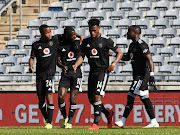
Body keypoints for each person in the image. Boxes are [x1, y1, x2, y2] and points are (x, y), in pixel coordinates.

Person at [73, 19, 123, 130]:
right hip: (92, 72)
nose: (92, 33)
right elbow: (82, 55)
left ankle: (96, 123)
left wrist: (114, 64)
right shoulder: (86, 41)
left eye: (94, 31)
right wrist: (76, 64)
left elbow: (119, 52)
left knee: (97, 96)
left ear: (99, 28)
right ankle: (108, 113)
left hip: (103, 71)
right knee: (91, 99)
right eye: (91, 30)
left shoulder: (106, 40)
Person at [115, 25, 159, 128]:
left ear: (135, 33)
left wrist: (152, 75)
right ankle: (154, 122)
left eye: (129, 31)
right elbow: (127, 57)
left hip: (143, 75)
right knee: (144, 98)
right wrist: (115, 55)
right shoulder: (132, 45)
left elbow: (150, 60)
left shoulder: (142, 45)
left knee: (131, 95)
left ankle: (122, 121)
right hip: (137, 75)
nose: (127, 33)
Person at [29, 24, 58, 129]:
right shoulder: (36, 45)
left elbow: (69, 35)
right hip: (39, 75)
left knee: (49, 95)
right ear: (42, 33)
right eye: (47, 32)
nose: (50, 34)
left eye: (50, 32)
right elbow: (32, 57)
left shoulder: (55, 40)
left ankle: (50, 122)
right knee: (41, 100)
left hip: (50, 74)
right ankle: (47, 118)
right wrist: (31, 65)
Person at [57, 27, 83, 129]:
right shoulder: (60, 45)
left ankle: (70, 122)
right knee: (60, 97)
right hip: (66, 74)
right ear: (67, 36)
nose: (74, 36)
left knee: (73, 97)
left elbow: (82, 40)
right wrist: (63, 66)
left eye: (74, 34)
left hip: (77, 74)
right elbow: (57, 61)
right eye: (71, 35)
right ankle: (65, 117)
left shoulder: (78, 43)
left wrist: (79, 35)